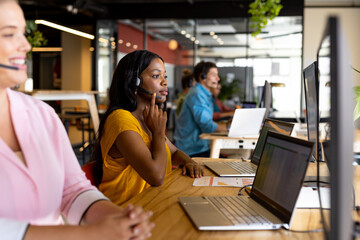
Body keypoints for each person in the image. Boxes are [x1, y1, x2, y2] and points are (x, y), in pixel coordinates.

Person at [0, 1, 153, 239]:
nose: (26, 45)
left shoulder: (42, 115)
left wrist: (120, 219)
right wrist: (90, 234)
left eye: (23, 33)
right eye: (10, 34)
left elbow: (72, 191)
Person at [91, 50, 203, 206]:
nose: (164, 82)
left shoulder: (146, 118)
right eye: (156, 76)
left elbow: (175, 152)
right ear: (134, 82)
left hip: (151, 204)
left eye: (165, 76)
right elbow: (156, 177)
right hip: (124, 213)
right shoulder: (120, 120)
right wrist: (157, 132)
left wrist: (189, 162)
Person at [174, 61, 228, 157]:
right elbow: (207, 125)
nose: (218, 78)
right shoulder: (197, 94)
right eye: (214, 75)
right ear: (202, 77)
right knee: (232, 162)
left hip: (201, 145)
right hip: (192, 150)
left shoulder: (204, 94)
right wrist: (228, 127)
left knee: (240, 154)